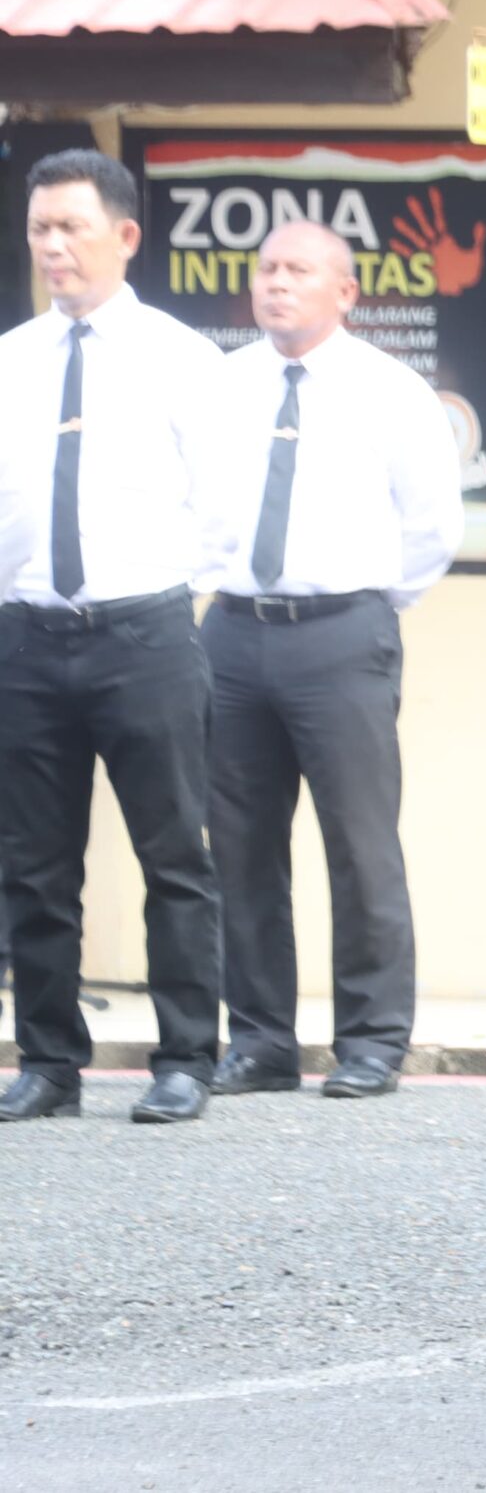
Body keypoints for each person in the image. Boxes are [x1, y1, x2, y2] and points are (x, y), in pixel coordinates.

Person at [201, 222, 463, 1102]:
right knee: (241, 845)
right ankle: (260, 1041)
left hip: (343, 633)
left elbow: (433, 526)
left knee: (359, 842)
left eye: (298, 270)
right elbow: (198, 506)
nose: (276, 282)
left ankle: (372, 1039)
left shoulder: (391, 390)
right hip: (233, 631)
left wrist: (368, 607)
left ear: (344, 292)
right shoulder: (224, 385)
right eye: (266, 268)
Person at [0, 149, 233, 1126]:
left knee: (173, 854)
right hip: (25, 635)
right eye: (39, 229)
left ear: (126, 235)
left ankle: (185, 1058)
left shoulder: (181, 357)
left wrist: (168, 600)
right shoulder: (12, 359)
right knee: (33, 864)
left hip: (144, 632)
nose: (53, 246)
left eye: (72, 227)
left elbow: (222, 506)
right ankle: (49, 1060)